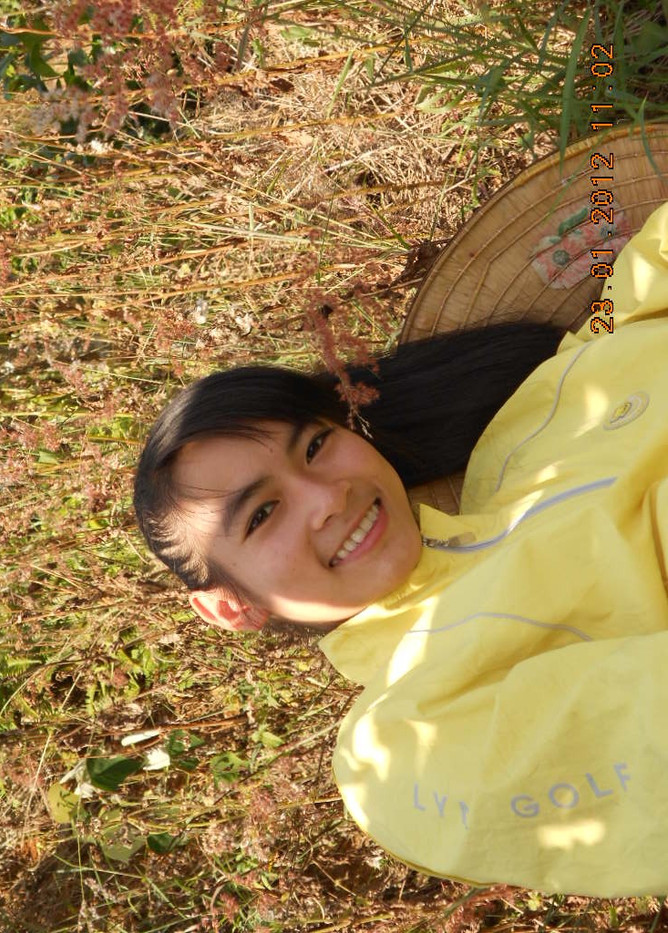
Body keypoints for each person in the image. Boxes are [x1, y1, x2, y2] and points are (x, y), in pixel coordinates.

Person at [134, 201, 668, 897]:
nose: (328, 498)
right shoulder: (403, 745)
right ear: (230, 606)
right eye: (262, 514)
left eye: (316, 446)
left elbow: (637, 294)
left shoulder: (520, 441)